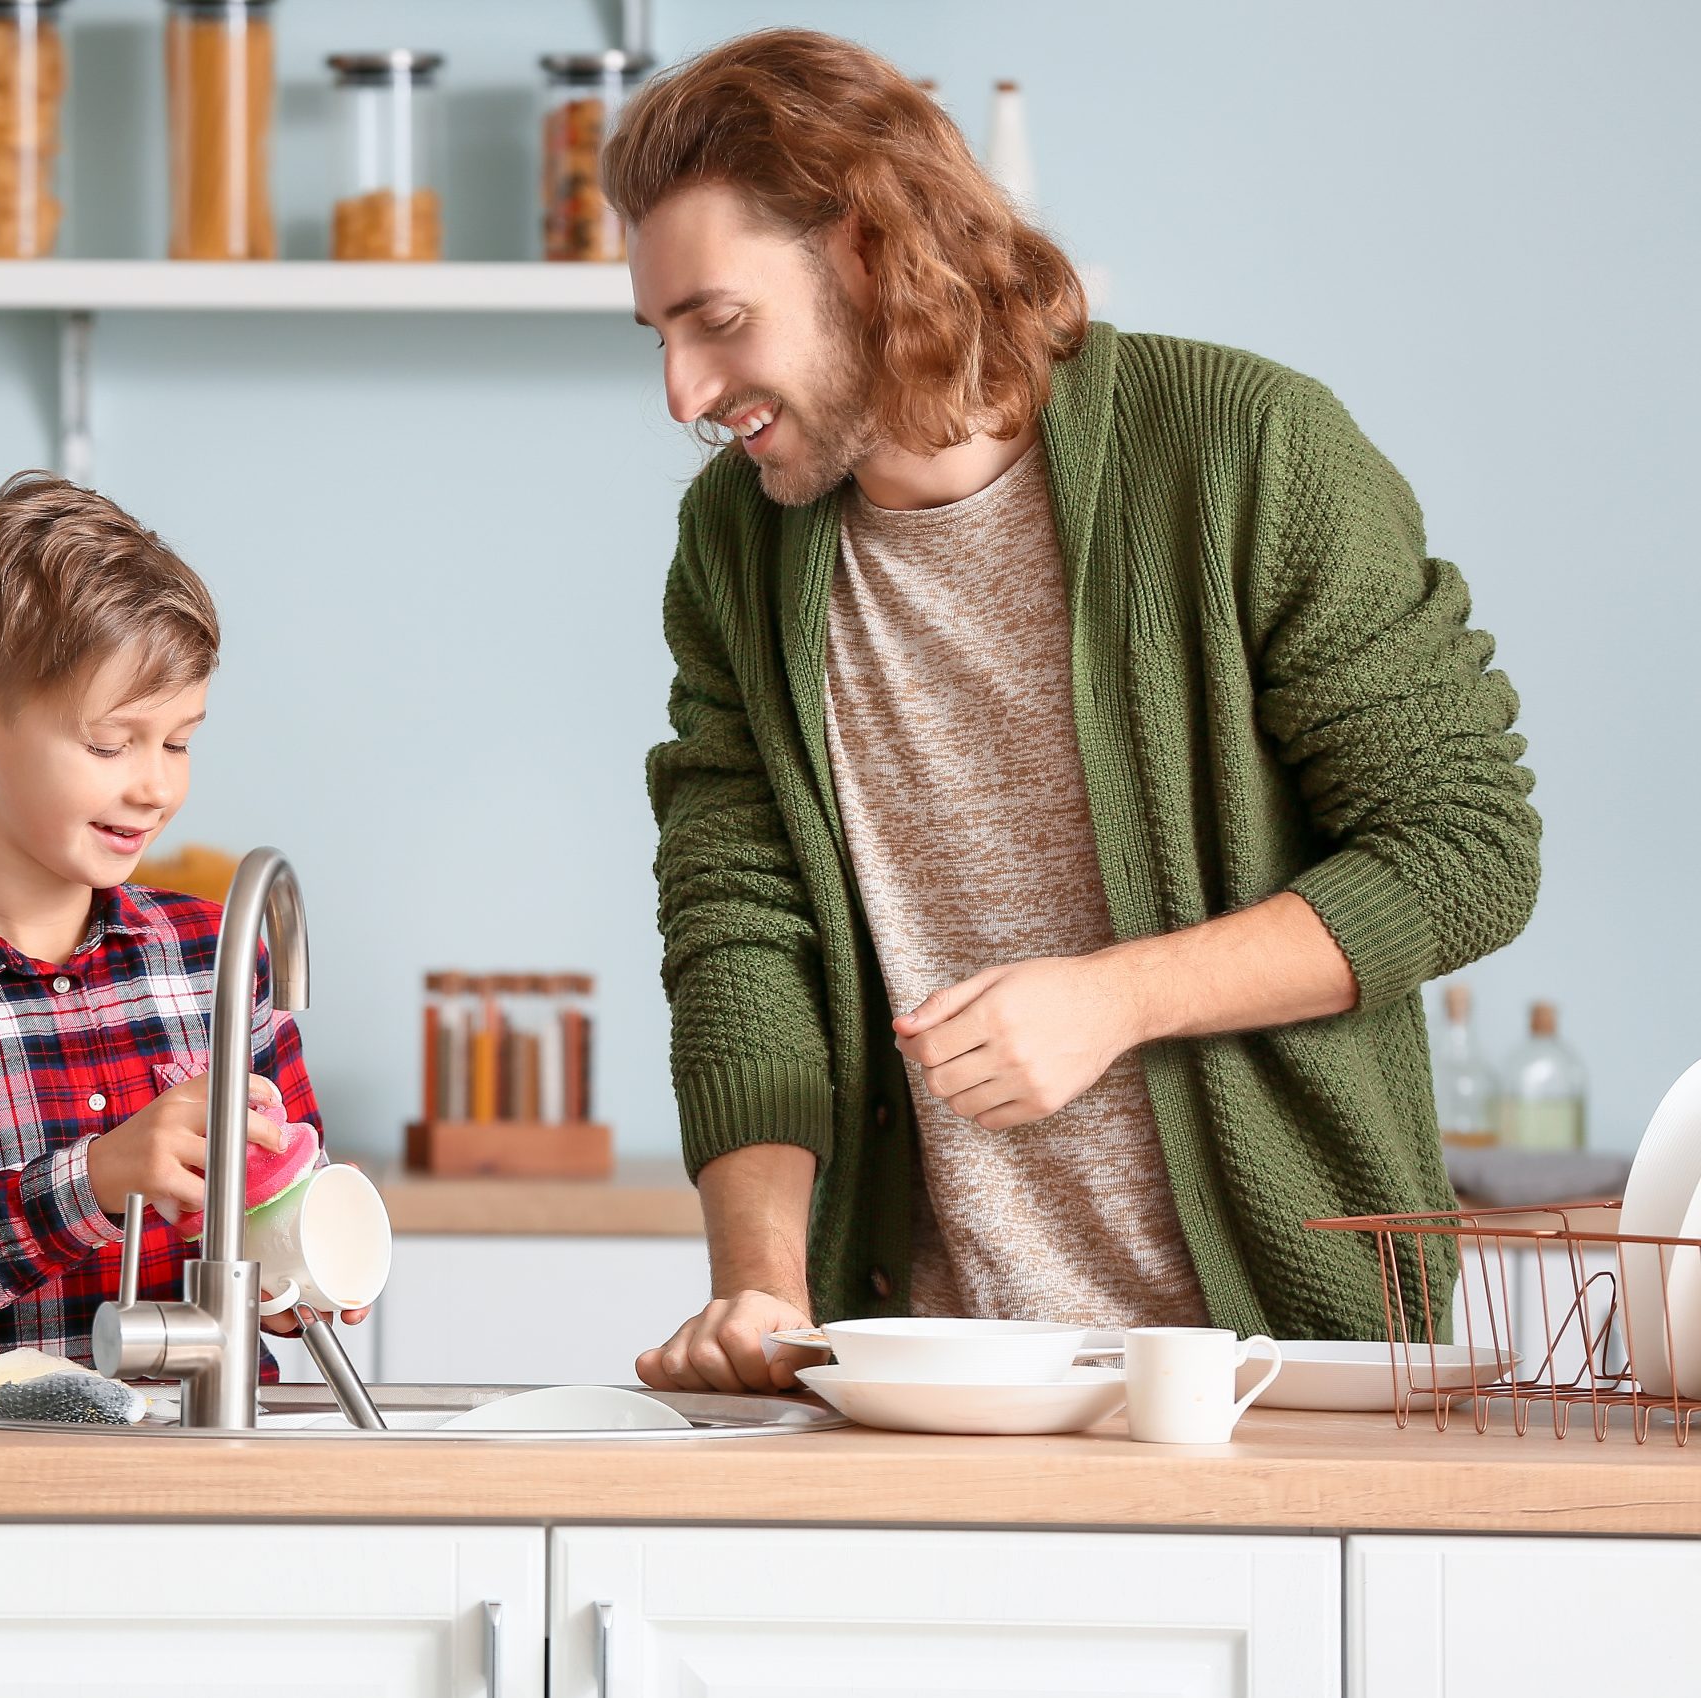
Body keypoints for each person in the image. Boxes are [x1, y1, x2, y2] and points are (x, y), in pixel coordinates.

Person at [612, 32, 1539, 1393]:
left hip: (1274, 1364)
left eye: (720, 319)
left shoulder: (1246, 450)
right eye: (662, 335)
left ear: (866, 248)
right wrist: (760, 1278)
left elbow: (1466, 849)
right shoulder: (738, 544)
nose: (684, 394)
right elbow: (738, 922)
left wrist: (1116, 999)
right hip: (920, 1372)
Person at [0, 472, 357, 1380]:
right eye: (109, 743)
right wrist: (87, 1184)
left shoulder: (219, 956)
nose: (155, 786)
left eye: (179, 740)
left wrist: (303, 1259)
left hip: (208, 1492)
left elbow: (279, 1229)